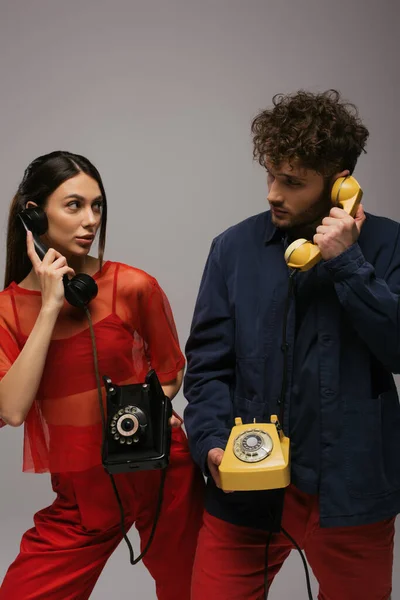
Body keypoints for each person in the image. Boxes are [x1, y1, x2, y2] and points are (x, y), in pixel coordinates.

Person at [184, 90, 399, 600]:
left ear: (341, 183)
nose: (273, 194)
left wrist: (347, 262)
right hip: (247, 486)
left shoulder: (388, 245)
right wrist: (212, 443)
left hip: (351, 488)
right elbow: (207, 367)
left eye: (293, 182)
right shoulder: (232, 249)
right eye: (271, 176)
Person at [0, 150, 204, 600]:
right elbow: (11, 409)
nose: (90, 220)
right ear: (33, 216)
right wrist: (51, 305)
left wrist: (154, 405)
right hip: (83, 494)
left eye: (97, 206)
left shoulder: (134, 286)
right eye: (74, 205)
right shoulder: (7, 312)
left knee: (189, 592)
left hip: (162, 475)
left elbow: (171, 372)